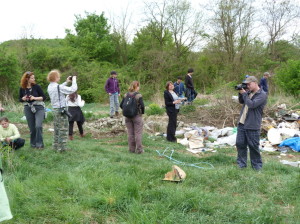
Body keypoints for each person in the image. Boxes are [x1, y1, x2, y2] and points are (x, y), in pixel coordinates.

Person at [236, 76, 267, 170]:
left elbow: (251, 104)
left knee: (253, 147)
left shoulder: (262, 94)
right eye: (246, 84)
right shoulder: (248, 92)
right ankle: (241, 165)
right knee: (240, 144)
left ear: (255, 83)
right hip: (242, 123)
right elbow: (242, 101)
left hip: (252, 125)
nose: (248, 86)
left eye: (249, 84)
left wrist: (244, 94)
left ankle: (257, 167)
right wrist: (241, 92)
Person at [47, 70, 77, 152]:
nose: (59, 77)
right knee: (63, 129)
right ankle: (62, 148)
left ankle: (55, 146)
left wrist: (66, 82)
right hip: (61, 110)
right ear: (55, 77)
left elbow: (59, 88)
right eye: (58, 76)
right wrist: (74, 81)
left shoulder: (50, 86)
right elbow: (72, 90)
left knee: (57, 128)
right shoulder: (58, 87)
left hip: (55, 109)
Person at [19, 71, 46, 149]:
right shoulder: (22, 88)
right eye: (32, 78)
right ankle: (33, 144)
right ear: (27, 79)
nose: (34, 79)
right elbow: (19, 99)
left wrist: (34, 98)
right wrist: (23, 99)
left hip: (39, 107)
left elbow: (44, 97)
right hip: (28, 108)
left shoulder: (37, 86)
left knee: (38, 126)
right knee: (32, 128)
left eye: (34, 78)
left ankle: (40, 144)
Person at [120, 81, 145, 154]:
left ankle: (131, 149)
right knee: (138, 133)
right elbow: (142, 106)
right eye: (138, 86)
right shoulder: (138, 95)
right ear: (136, 87)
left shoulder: (126, 95)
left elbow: (121, 105)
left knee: (130, 133)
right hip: (136, 116)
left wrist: (127, 110)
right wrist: (141, 113)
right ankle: (139, 150)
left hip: (127, 117)